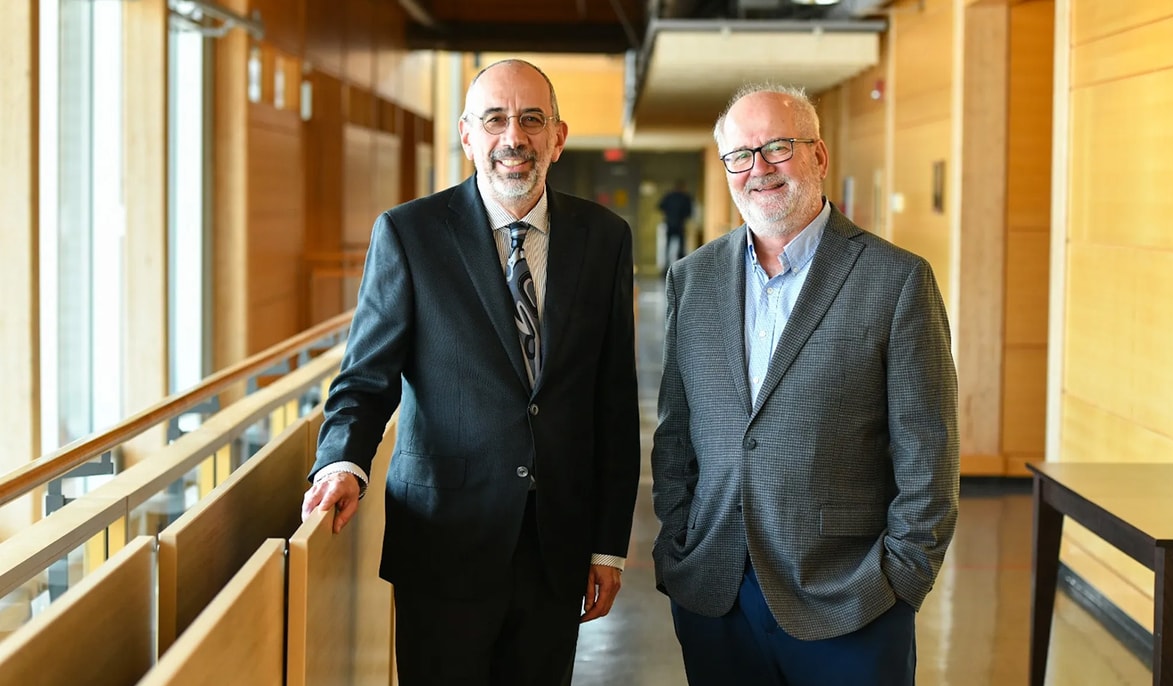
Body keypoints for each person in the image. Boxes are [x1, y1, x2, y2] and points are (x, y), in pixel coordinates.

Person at [301, 59, 641, 686]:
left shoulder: (605, 238)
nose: (514, 137)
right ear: (467, 135)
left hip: (557, 544)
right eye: (494, 120)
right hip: (443, 542)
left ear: (558, 137)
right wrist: (342, 462)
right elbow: (365, 379)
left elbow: (614, 401)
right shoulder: (409, 234)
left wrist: (607, 544)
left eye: (532, 120)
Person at [650, 83, 959, 686]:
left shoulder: (896, 280)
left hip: (852, 601)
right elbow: (676, 434)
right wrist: (677, 546)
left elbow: (929, 452)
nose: (759, 169)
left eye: (778, 147)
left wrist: (902, 578)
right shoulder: (693, 279)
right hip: (715, 595)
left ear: (818, 155)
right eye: (741, 155)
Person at [657, 180, 693, 266]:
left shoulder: (670, 196)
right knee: (681, 247)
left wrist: (668, 213)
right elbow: (689, 212)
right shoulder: (685, 197)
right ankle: (681, 265)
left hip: (670, 223)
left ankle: (666, 265)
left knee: (668, 246)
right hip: (680, 224)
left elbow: (660, 206)